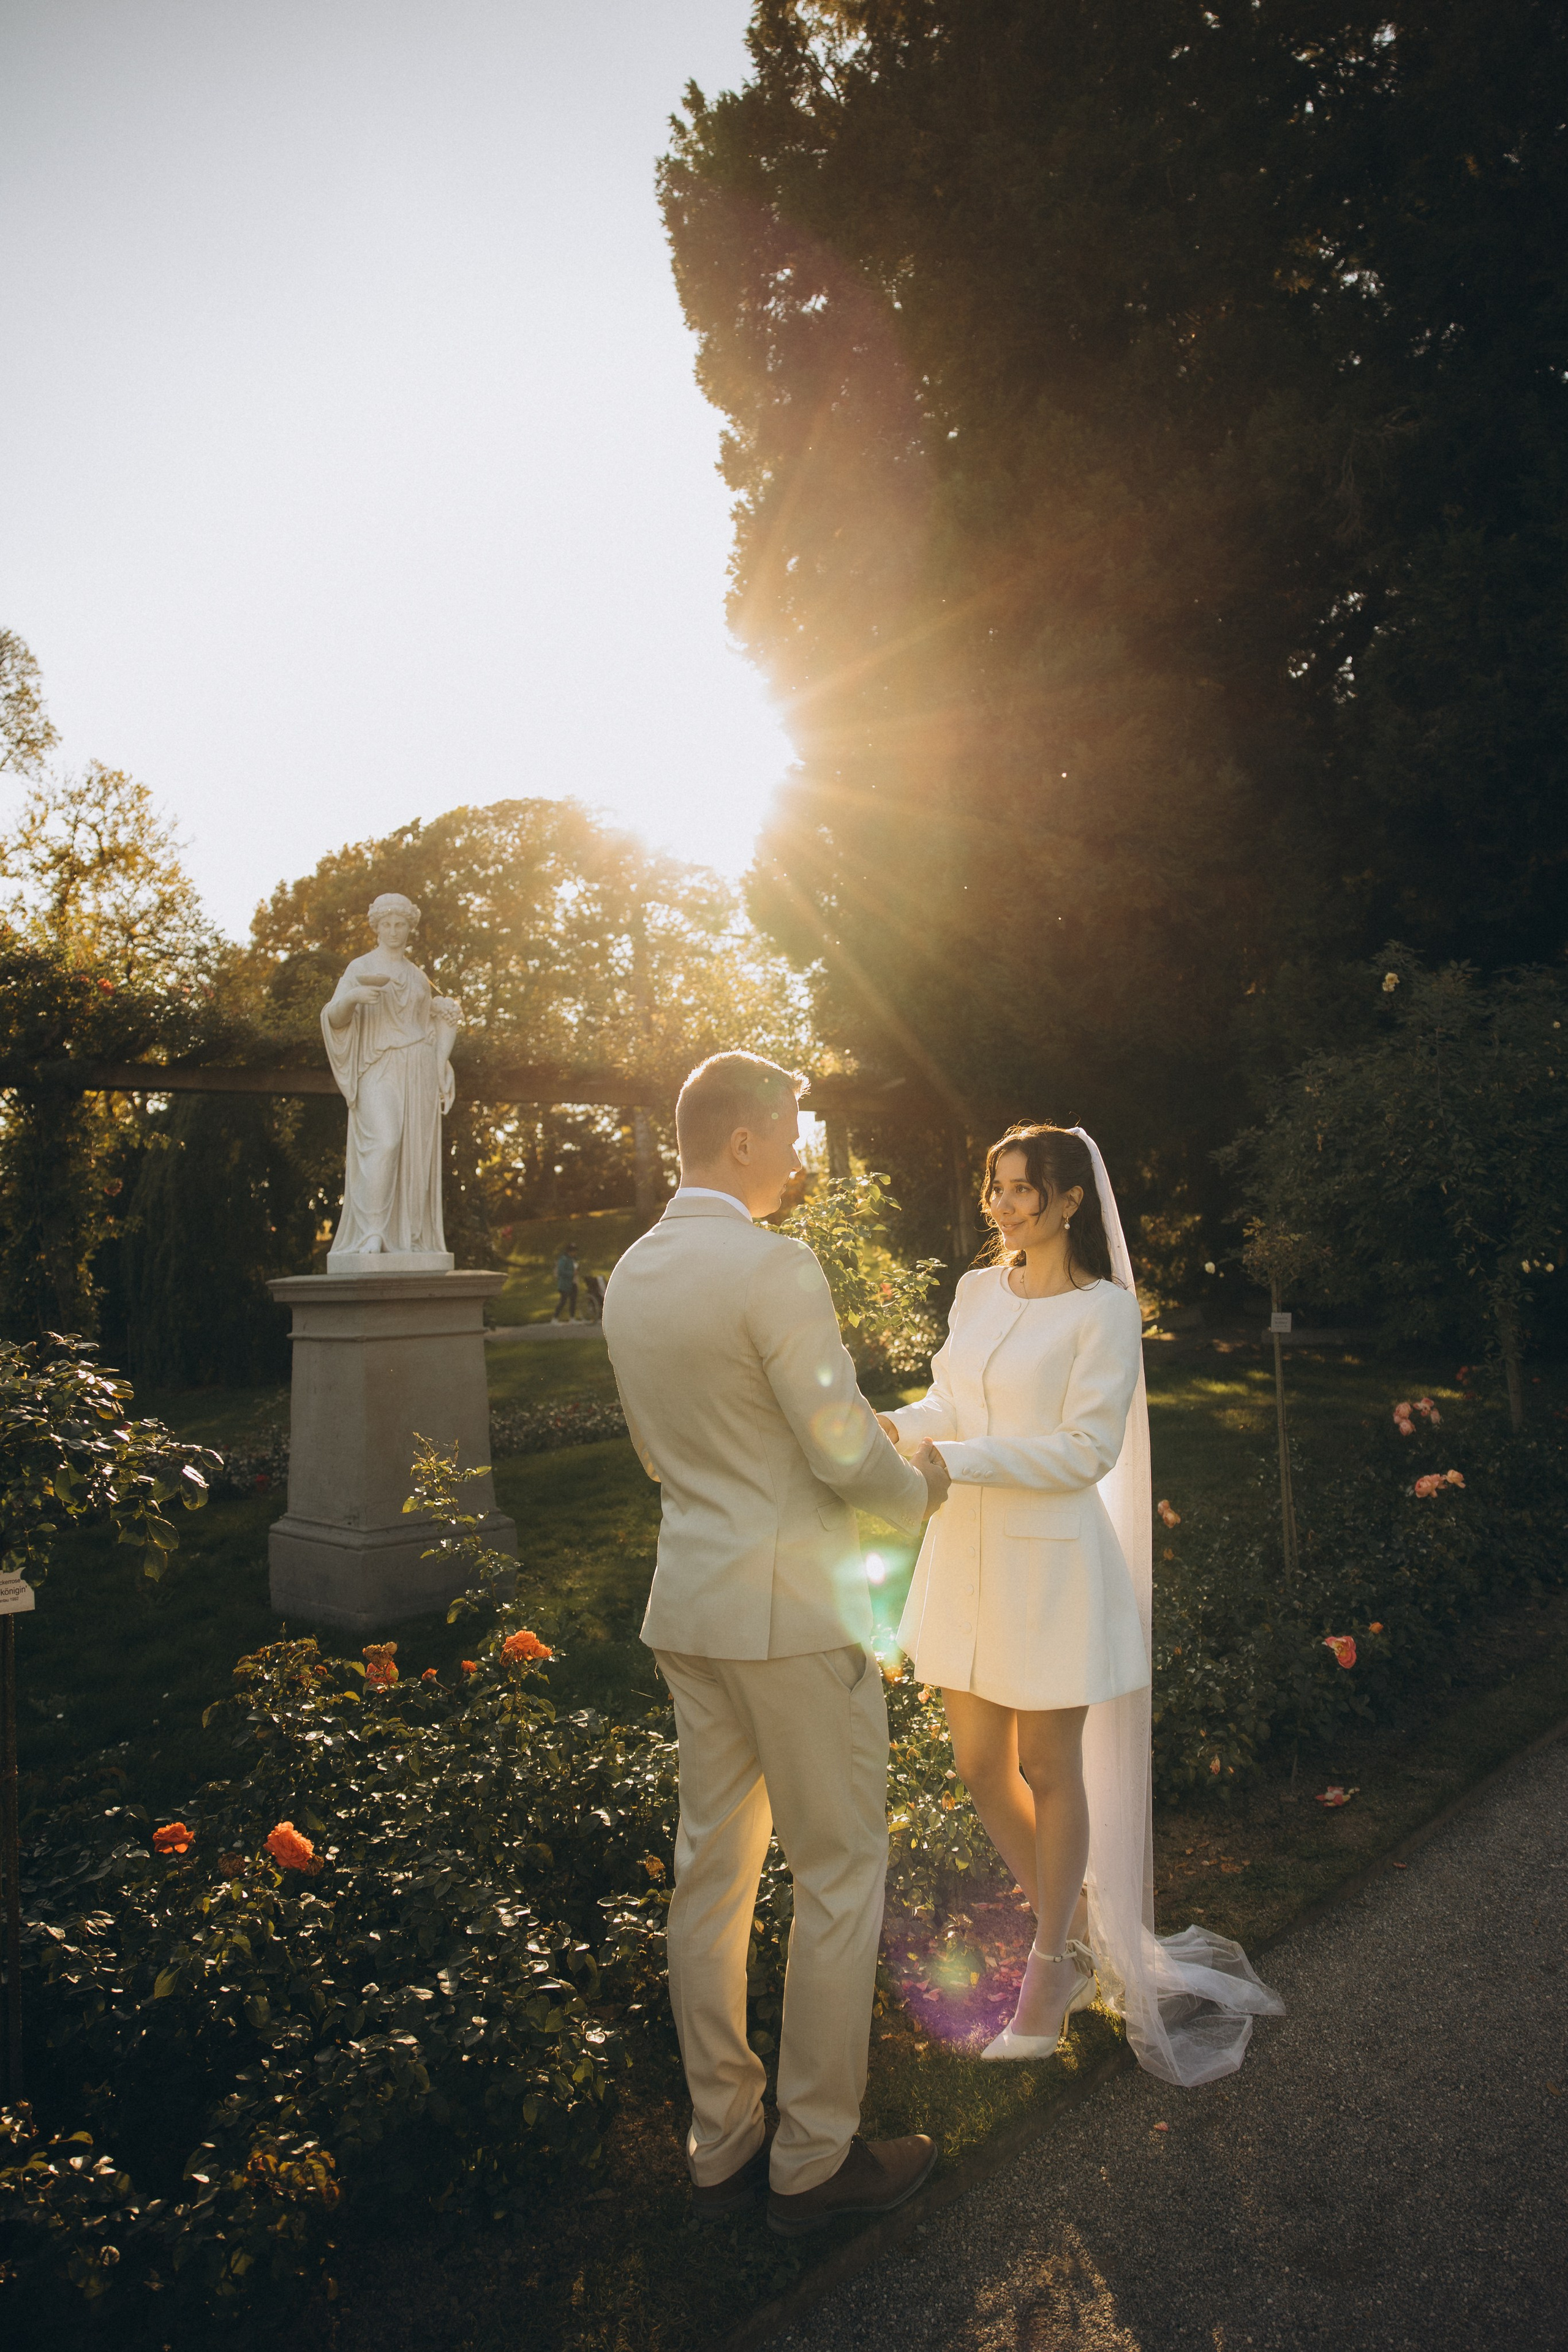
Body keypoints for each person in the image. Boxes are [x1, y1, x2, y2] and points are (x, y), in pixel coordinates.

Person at [603, 1052, 952, 2234]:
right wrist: (919, 1489)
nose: (800, 1157)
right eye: (792, 1133)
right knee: (841, 1873)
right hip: (793, 1619)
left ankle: (723, 2142)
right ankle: (813, 2157)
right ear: (742, 1139)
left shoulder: (631, 1273)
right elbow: (841, 1447)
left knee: (711, 1878)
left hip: (691, 1607)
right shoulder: (772, 1264)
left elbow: (655, 1454)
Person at [881, 1123, 1282, 2083]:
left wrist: (957, 1460)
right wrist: (895, 1426)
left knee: (1046, 1765)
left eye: (1023, 1189)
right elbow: (948, 1400)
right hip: (965, 1555)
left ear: (1069, 1201)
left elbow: (1086, 1450)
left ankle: (1051, 1964)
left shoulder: (1104, 1312)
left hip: (1051, 1567)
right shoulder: (977, 1290)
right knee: (979, 1765)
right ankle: (1090, 1927)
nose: (1004, 1205)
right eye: (996, 1187)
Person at [552, 1242, 579, 1321]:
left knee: (573, 1301)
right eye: (573, 1251)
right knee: (563, 1301)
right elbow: (561, 1271)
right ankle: (555, 1318)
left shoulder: (573, 1260)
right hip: (565, 1284)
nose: (575, 1253)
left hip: (573, 1283)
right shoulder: (563, 1259)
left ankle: (572, 1318)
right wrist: (572, 1274)